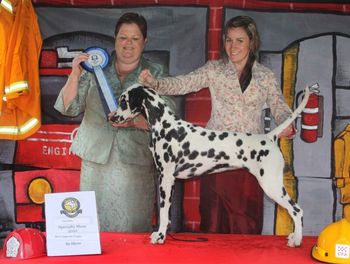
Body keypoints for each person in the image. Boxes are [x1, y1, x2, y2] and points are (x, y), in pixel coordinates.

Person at [138, 15, 295, 234]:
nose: (233, 46)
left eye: (239, 40)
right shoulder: (214, 69)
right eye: (228, 40)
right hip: (214, 156)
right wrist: (155, 83)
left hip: (250, 156)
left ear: (252, 41)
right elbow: (184, 83)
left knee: (246, 224)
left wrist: (287, 122)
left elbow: (279, 105)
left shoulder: (265, 76)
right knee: (213, 222)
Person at [54, 12, 175, 232]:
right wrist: (74, 74)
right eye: (123, 37)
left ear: (144, 42)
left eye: (135, 38)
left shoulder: (156, 72)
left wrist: (136, 121)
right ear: (115, 38)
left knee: (132, 230)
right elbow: (69, 108)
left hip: (135, 164)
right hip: (95, 162)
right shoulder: (95, 67)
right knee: (92, 228)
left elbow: (168, 118)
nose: (128, 44)